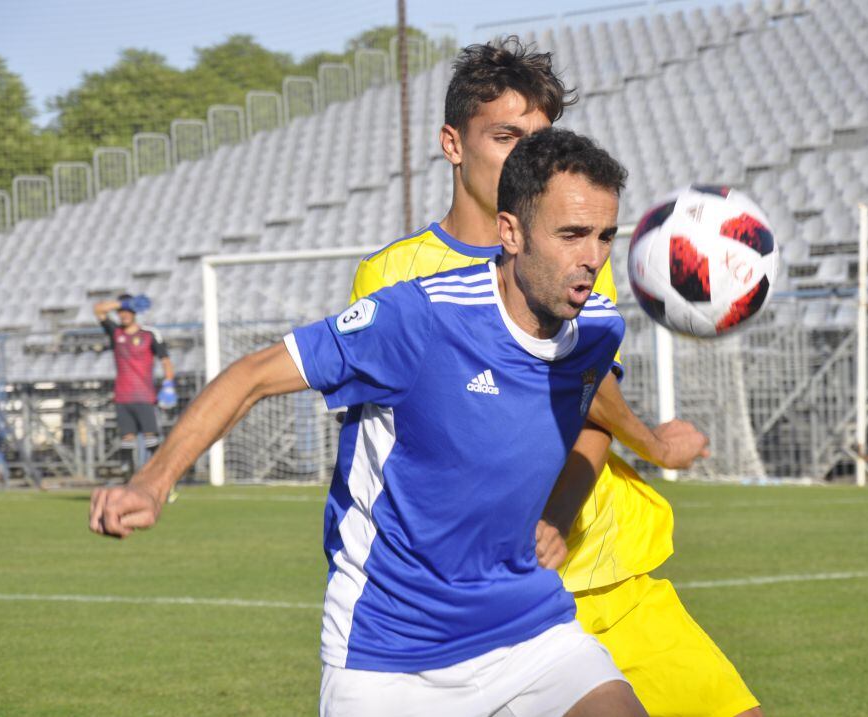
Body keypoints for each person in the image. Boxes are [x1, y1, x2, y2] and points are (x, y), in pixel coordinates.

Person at [90, 128, 647, 717]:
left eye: (605, 235)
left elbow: (591, 414)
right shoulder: (419, 317)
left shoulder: (598, 330)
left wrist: (559, 513)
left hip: (530, 630)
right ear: (510, 232)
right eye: (572, 234)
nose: (593, 258)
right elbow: (252, 373)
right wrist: (153, 482)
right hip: (390, 652)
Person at [349, 38, 762, 717]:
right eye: (504, 135)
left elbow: (592, 407)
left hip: (607, 569)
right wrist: (652, 443)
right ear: (452, 143)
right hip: (488, 607)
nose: (524, 155)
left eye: (538, 138)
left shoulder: (576, 251)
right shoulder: (392, 276)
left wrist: (559, 511)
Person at [93, 294, 176, 478]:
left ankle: (160, 477)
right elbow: (98, 309)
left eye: (128, 310)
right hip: (122, 396)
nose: (124, 314)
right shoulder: (115, 333)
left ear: (135, 313)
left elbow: (166, 360)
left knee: (151, 437)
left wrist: (168, 383)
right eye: (121, 311)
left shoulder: (149, 334)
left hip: (145, 396)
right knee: (126, 439)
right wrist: (122, 303)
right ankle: (128, 480)